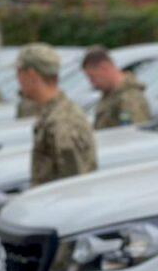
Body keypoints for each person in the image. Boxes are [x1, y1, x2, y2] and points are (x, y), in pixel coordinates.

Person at [16, 43, 97, 186]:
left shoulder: (63, 121)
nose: (18, 80)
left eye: (19, 73)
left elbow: (75, 185)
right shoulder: (52, 113)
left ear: (31, 75)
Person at [81, 46, 151, 129]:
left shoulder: (129, 98)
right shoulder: (110, 95)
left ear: (104, 68)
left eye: (92, 77)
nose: (92, 83)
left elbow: (134, 135)